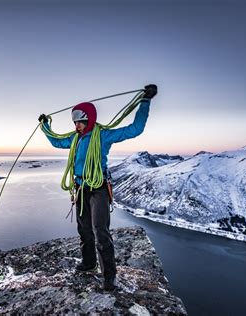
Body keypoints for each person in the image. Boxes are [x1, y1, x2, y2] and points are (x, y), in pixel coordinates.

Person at [38, 84, 157, 291]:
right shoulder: (75, 138)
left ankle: (109, 276)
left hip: (99, 187)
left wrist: (145, 102)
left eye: (80, 121)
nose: (77, 125)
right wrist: (45, 126)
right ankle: (89, 263)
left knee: (100, 232)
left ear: (89, 119)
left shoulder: (103, 136)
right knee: (84, 230)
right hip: (81, 187)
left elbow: (135, 129)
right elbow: (57, 142)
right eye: (75, 122)